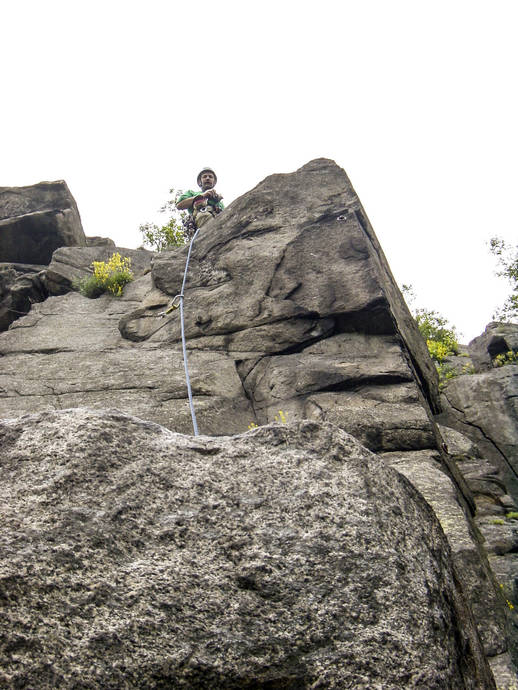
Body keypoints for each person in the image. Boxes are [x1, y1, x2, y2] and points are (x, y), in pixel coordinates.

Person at [176, 167, 224, 235]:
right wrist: (203, 196)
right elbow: (179, 205)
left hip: (217, 227)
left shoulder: (219, 203)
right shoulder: (192, 193)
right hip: (199, 225)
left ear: (214, 182)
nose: (207, 178)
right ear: (200, 181)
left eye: (210, 177)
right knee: (203, 215)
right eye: (204, 176)